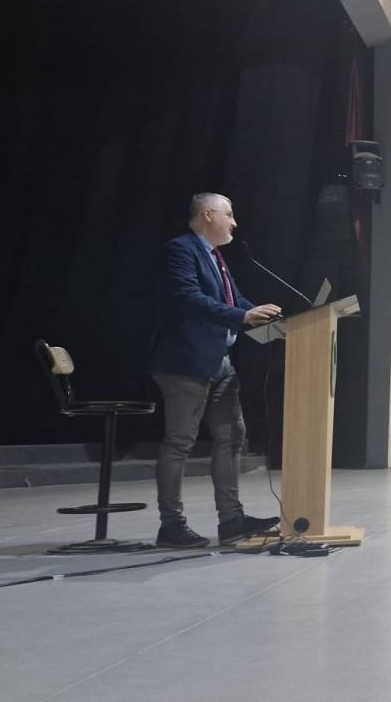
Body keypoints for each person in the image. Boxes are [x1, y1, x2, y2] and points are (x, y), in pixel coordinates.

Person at [148, 193, 282, 548]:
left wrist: (268, 317)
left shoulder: (215, 255)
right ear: (208, 215)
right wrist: (243, 316)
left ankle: (232, 521)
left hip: (220, 362)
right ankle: (171, 526)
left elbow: (234, 300)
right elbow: (189, 298)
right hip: (185, 362)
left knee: (233, 437)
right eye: (230, 215)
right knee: (179, 442)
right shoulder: (181, 250)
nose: (234, 223)